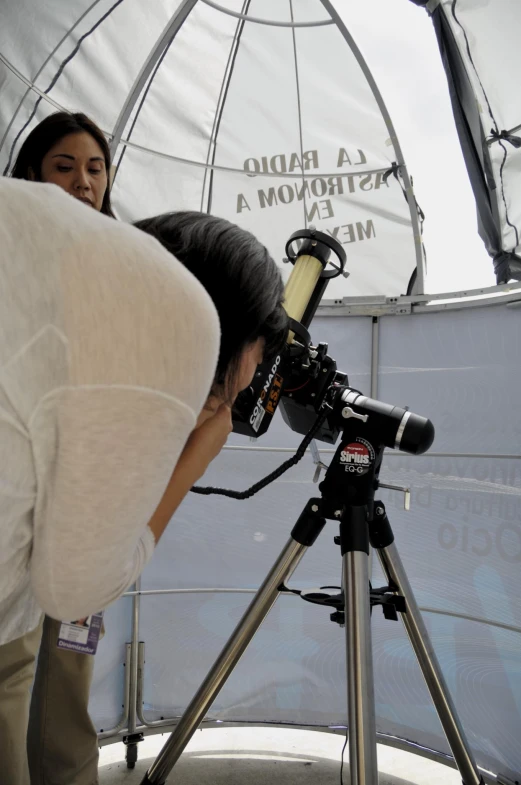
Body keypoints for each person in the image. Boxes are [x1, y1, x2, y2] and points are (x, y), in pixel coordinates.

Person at [0, 177, 287, 785]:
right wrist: (200, 452)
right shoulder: (175, 317)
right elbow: (76, 592)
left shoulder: (58, 247)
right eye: (259, 356)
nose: (253, 375)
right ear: (236, 328)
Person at [6, 111, 114, 785]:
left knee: (70, 665)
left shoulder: (122, 265)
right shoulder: (8, 255)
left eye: (95, 167)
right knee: (11, 669)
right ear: (30, 175)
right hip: (15, 496)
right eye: (63, 165)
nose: (82, 181)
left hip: (86, 503)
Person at [11, 110, 115, 216]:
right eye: (65, 167)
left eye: (94, 170)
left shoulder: (121, 232)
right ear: (33, 176)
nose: (83, 183)